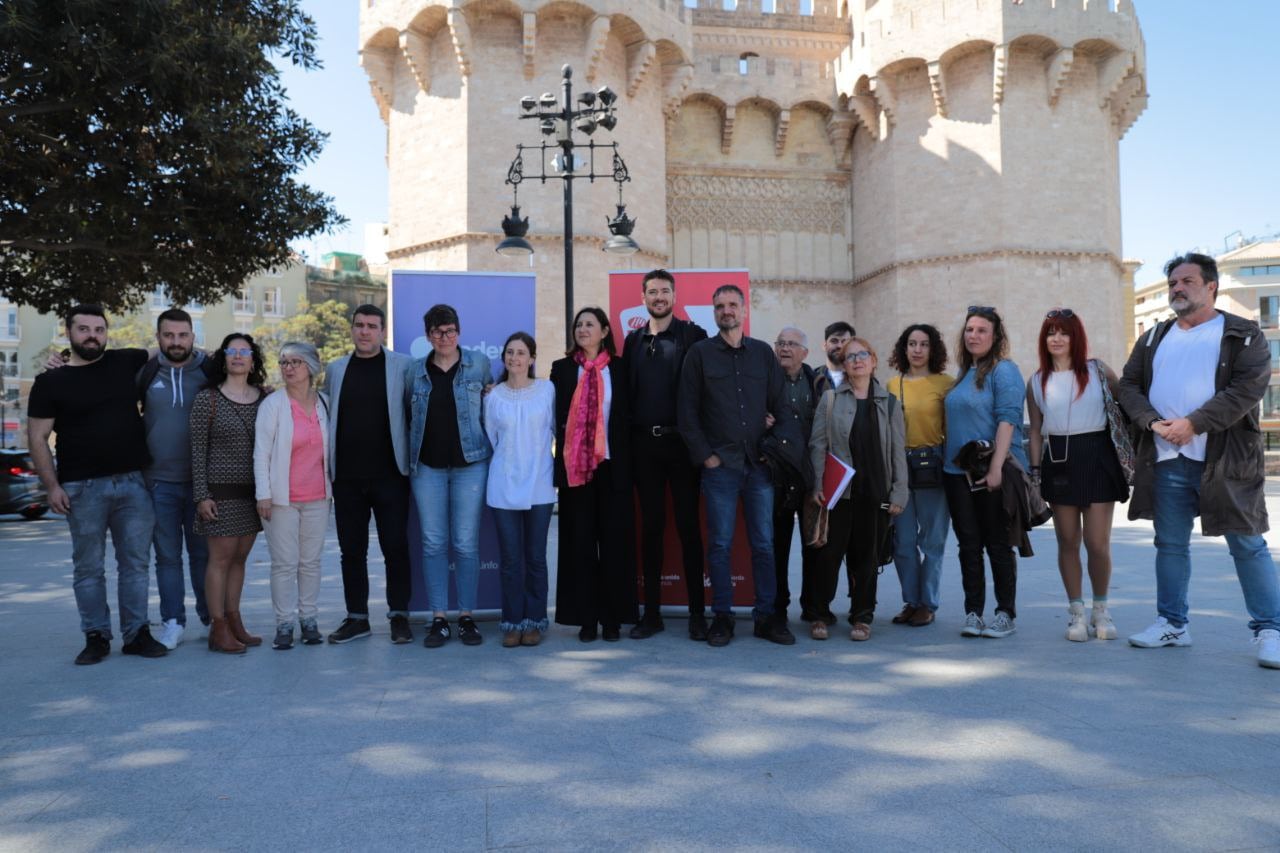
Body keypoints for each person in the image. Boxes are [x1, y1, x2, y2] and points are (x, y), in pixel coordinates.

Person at [1118, 253, 1280, 668]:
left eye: (1187, 281)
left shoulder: (1242, 334)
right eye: (1172, 282)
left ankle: (1270, 630)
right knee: (1170, 545)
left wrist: (1193, 423)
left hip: (1225, 461)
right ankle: (1172, 624)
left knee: (1247, 543)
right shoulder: (1153, 337)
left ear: (1211, 286)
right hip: (1167, 459)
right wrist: (1153, 423)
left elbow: (1247, 390)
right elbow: (1129, 386)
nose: (1177, 288)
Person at [28, 304, 166, 664]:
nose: (93, 335)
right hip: (81, 488)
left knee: (135, 564)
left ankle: (137, 634)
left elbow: (171, 349)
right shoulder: (50, 382)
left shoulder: (124, 361)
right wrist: (51, 486)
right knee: (88, 567)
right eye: (85, 329)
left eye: (99, 329)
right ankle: (96, 637)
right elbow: (38, 438)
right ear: (69, 333)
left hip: (133, 484)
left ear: (107, 332)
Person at [677, 284, 796, 646]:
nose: (726, 311)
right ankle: (723, 618)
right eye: (720, 306)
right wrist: (706, 457)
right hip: (720, 468)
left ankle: (766, 618)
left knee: (764, 544)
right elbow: (687, 412)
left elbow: (783, 407)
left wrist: (771, 450)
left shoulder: (762, 354)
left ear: (743, 310)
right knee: (720, 545)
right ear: (713, 312)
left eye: (732, 305)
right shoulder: (699, 354)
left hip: (759, 465)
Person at [1026, 309, 1127, 642]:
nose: (1056, 338)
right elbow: (1037, 430)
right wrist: (1036, 474)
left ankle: (1101, 610)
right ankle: (1076, 614)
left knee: (1096, 543)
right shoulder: (1037, 381)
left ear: (1076, 337)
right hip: (1058, 459)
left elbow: (1125, 405)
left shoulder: (1098, 371)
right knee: (1067, 541)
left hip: (1098, 455)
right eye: (1050, 332)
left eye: (1064, 332)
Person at [621, 269, 709, 641]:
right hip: (645, 448)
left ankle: (696, 615)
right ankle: (651, 614)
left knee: (689, 529)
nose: (659, 297)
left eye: (665, 291)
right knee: (652, 530)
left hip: (683, 447)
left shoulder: (693, 336)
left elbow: (710, 389)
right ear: (643, 298)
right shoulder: (633, 341)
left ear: (675, 296)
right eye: (653, 292)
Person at [323, 304, 415, 645]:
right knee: (351, 551)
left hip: (391, 475)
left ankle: (399, 616)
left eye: (372, 326)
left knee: (395, 548)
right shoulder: (335, 369)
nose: (365, 331)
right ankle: (357, 618)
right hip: (346, 479)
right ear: (351, 329)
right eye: (359, 325)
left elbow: (412, 413)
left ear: (382, 331)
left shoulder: (402, 366)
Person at [807, 338, 907, 641]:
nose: (857, 360)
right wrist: (817, 484)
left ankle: (862, 616)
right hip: (839, 492)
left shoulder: (890, 403)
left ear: (873, 360)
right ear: (845, 365)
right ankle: (819, 614)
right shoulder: (831, 400)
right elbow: (818, 445)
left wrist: (900, 492)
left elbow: (898, 451)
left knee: (867, 558)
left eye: (863, 354)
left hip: (875, 490)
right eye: (850, 357)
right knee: (828, 556)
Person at [406, 304, 493, 648]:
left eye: (451, 331)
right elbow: (404, 417)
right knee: (433, 542)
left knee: (466, 543)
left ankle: (467, 617)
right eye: (438, 332)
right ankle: (439, 618)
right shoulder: (414, 372)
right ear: (428, 336)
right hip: (426, 468)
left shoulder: (479, 365)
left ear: (459, 331)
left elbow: (493, 408)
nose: (445, 337)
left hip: (471, 464)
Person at [552, 307, 638, 642]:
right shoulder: (561, 369)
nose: (582, 329)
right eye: (578, 324)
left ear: (604, 331)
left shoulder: (619, 368)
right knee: (580, 544)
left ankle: (613, 618)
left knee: (615, 545)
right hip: (576, 471)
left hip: (613, 467)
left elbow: (629, 419)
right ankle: (586, 618)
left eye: (589, 324)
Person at [942, 306, 1029, 639]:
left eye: (981, 330)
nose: (973, 335)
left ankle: (1005, 613)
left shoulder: (1003, 371)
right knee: (968, 546)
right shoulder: (965, 373)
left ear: (995, 337)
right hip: (956, 473)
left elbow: (1008, 419)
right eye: (969, 330)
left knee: (997, 544)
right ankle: (973, 613)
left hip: (990, 473)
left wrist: (995, 469)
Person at [137, 309, 218, 649]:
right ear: (158, 339)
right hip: (159, 483)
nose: (176, 342)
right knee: (167, 557)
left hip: (201, 484)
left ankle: (212, 618)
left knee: (203, 556)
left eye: (182, 335)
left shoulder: (210, 370)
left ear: (192, 337)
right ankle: (173, 621)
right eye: (169, 335)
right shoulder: (145, 371)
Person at [190, 333, 269, 654]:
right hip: (218, 494)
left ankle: (235, 621)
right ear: (223, 359)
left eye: (244, 351)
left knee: (239, 560)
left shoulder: (266, 398)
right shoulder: (206, 399)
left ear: (253, 359)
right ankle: (218, 627)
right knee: (220, 560)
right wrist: (201, 495)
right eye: (231, 351)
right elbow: (197, 450)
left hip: (252, 493)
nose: (238, 356)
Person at [255, 342, 332, 650]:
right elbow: (261, 453)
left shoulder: (325, 403)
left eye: (295, 362)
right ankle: (284, 624)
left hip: (318, 497)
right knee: (285, 563)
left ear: (311, 367)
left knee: (310, 562)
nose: (288, 367)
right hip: (282, 499)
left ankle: (309, 620)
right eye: (284, 362)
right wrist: (264, 493)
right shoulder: (273, 405)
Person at [484, 332, 555, 647]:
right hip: (503, 487)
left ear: (532, 358)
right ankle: (512, 621)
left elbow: (555, 431)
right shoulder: (494, 397)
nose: (515, 358)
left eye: (521, 352)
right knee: (511, 560)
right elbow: (492, 439)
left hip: (539, 485)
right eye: (510, 352)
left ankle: (535, 621)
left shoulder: (547, 391)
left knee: (536, 558)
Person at [886, 324, 953, 628]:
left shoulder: (945, 384)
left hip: (933, 464)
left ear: (932, 349)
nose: (916, 350)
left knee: (933, 541)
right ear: (904, 348)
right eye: (911, 343)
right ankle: (911, 601)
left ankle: (928, 602)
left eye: (923, 344)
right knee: (903, 541)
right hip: (899, 466)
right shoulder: (890, 385)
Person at [772, 326, 816, 625]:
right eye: (781, 343)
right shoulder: (765, 381)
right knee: (777, 545)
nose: (785, 348)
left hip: (809, 475)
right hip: (776, 474)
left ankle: (812, 608)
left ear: (805, 352)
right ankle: (778, 607)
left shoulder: (818, 382)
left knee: (813, 546)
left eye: (792, 344)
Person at [813, 321, 855, 397]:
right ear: (824, 346)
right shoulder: (812, 378)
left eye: (844, 342)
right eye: (834, 341)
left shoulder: (862, 379)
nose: (839, 346)